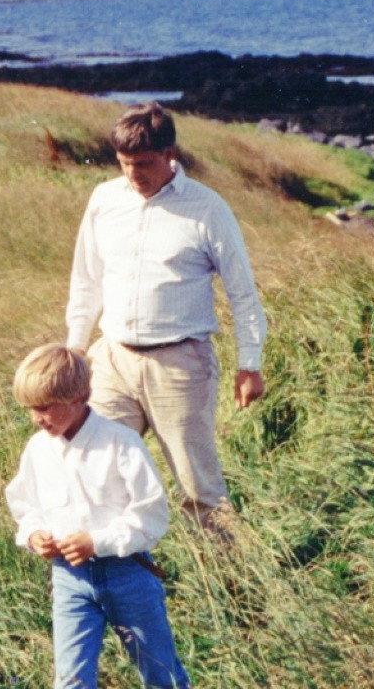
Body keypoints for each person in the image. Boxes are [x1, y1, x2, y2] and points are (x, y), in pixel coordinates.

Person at [65, 103, 267, 530]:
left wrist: (249, 364)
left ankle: (227, 586)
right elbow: (87, 278)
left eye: (143, 164)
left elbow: (242, 292)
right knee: (93, 467)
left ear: (169, 154)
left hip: (180, 365)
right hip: (111, 361)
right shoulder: (104, 199)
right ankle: (113, 577)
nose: (133, 175)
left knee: (198, 489)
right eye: (124, 164)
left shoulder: (208, 209)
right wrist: (75, 349)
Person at [4, 345, 189, 689]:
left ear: (80, 397)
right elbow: (25, 505)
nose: (36, 418)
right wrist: (34, 534)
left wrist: (97, 541)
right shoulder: (38, 450)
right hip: (69, 580)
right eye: (30, 409)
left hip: (128, 573)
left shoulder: (121, 442)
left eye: (44, 408)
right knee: (71, 679)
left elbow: (150, 512)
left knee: (160, 673)